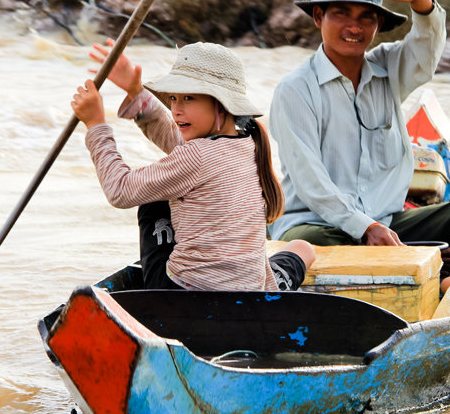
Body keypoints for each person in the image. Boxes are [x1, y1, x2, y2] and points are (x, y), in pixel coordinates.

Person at [269, 0, 450, 293]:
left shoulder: (388, 69)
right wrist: (365, 227)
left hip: (389, 223)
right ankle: (428, 274)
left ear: (378, 25)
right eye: (341, 14)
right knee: (309, 243)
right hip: (319, 224)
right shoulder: (295, 89)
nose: (353, 27)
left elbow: (426, 51)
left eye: (366, 18)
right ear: (318, 18)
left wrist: (421, 1)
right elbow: (311, 182)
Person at [72, 40, 315, 292]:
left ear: (221, 104)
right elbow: (181, 146)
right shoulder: (248, 142)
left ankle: (162, 296)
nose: (176, 110)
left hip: (186, 296)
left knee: (154, 199)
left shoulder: (197, 156)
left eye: (188, 98)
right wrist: (135, 92)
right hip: (251, 289)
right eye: (173, 98)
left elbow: (120, 190)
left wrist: (96, 126)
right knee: (302, 248)